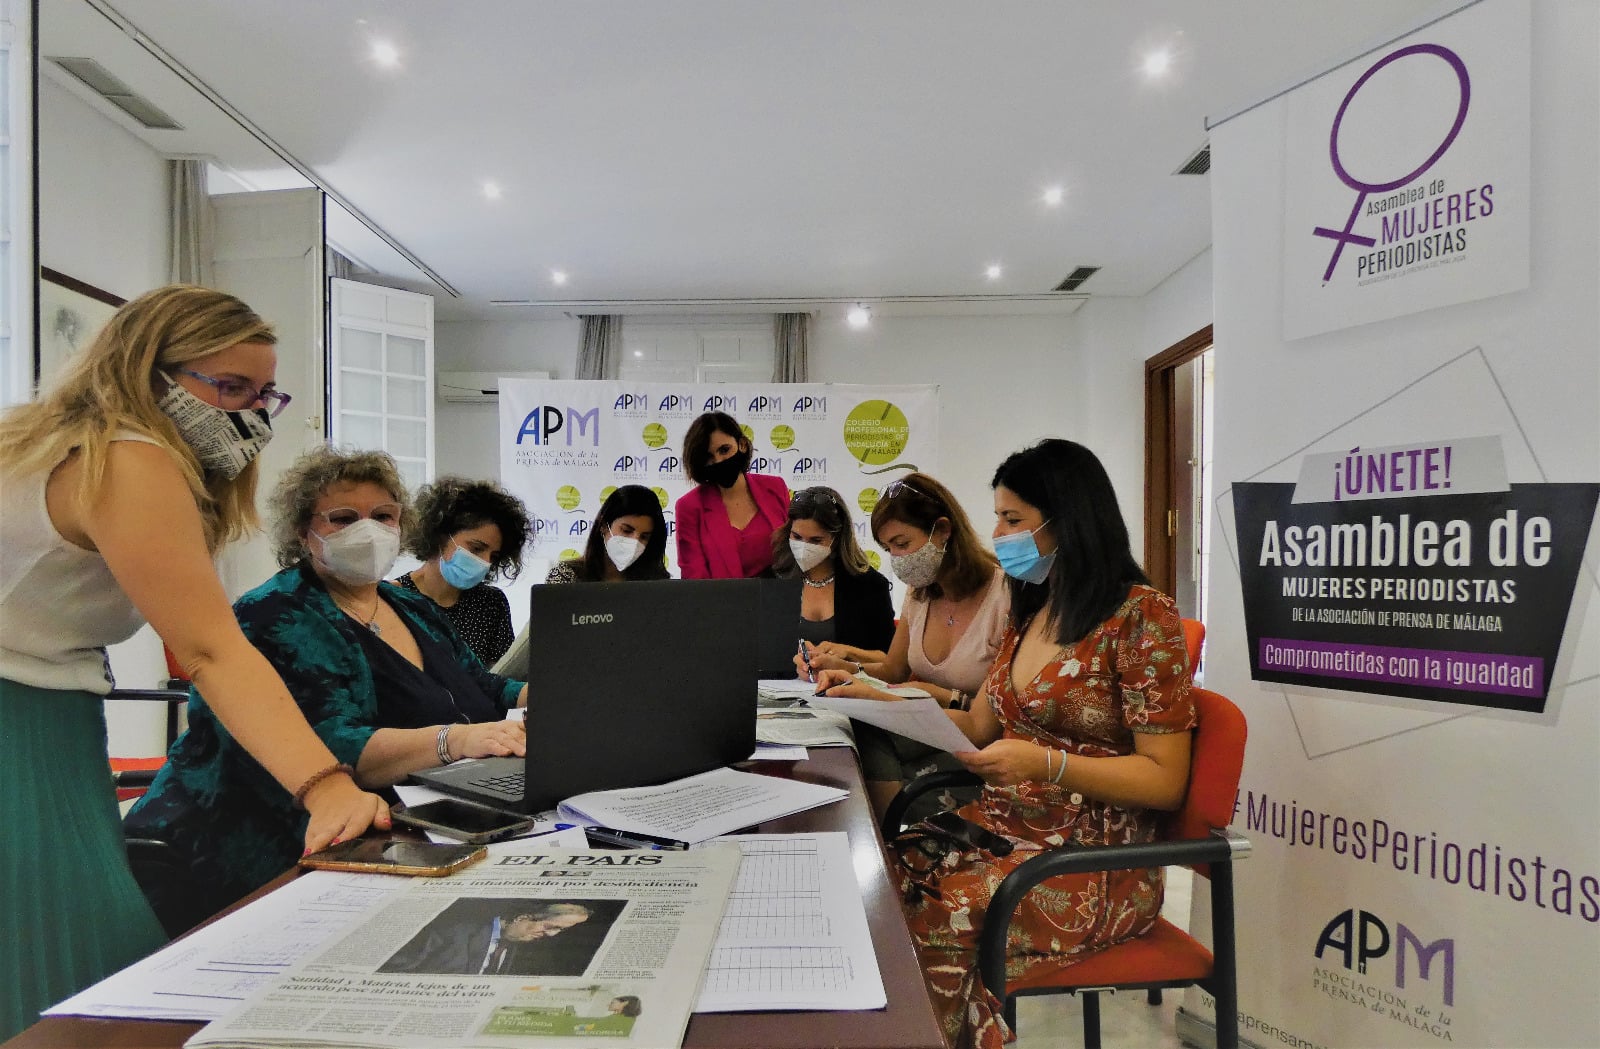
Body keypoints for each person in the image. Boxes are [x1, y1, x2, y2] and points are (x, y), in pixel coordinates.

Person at [0, 285, 388, 1039]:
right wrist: (325, 786)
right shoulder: (128, 454)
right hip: (20, 729)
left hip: (46, 719)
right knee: (82, 978)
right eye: (229, 387)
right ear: (151, 370)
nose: (248, 414)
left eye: (261, 394)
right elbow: (211, 650)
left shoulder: (51, 442)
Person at [819, 439, 1195, 1049]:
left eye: (1013, 519)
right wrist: (867, 696)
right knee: (876, 891)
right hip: (1004, 828)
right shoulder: (1033, 610)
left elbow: (1164, 778)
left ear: (1069, 520)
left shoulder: (1141, 617)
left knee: (925, 917)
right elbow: (975, 728)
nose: (997, 533)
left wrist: (1048, 764)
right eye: (998, 516)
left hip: (1091, 861)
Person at [125, 448, 529, 919]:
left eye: (383, 516)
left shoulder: (409, 606)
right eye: (343, 518)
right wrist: (456, 740)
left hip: (400, 829)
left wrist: (551, 697)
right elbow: (329, 744)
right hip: (258, 857)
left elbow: (482, 686)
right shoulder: (274, 613)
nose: (369, 530)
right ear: (304, 531)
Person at [804, 473, 1010, 818]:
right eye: (888, 549)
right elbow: (893, 670)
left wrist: (939, 696)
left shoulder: (1005, 597)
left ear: (942, 530)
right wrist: (841, 668)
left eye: (902, 544)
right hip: (931, 725)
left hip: (983, 738)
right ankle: (889, 839)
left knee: (874, 762)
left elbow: (993, 721)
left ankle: (893, 838)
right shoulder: (920, 592)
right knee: (855, 731)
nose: (896, 559)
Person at [396, 476, 532, 666]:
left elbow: (504, 675)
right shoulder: (395, 598)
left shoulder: (491, 603)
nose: (485, 562)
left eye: (493, 556)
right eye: (476, 548)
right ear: (441, 536)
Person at [778, 486, 895, 666]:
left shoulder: (870, 585)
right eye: (797, 536)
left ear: (837, 539)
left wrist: (847, 652)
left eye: (816, 540)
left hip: (849, 690)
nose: (803, 547)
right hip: (780, 691)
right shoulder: (776, 579)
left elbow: (890, 660)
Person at [674, 411, 789, 578]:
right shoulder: (689, 506)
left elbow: (793, 553)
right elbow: (694, 578)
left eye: (724, 450)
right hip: (720, 602)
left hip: (777, 599)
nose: (718, 461)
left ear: (742, 444)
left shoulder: (775, 487)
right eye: (708, 457)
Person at [382, 902, 594, 976]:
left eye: (560, 931)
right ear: (522, 917)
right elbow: (397, 966)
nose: (550, 935)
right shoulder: (456, 932)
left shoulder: (516, 951)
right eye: (550, 927)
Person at [546, 485, 670, 583]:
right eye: (626, 531)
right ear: (604, 526)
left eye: (644, 537)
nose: (634, 541)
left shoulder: (657, 582)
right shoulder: (565, 576)